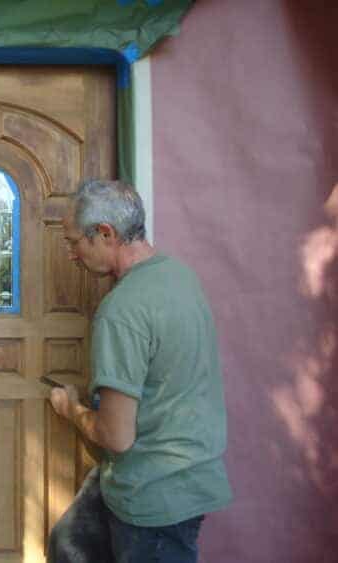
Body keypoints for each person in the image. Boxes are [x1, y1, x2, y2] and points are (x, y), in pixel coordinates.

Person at [48, 179, 232, 563]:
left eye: (74, 242)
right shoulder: (179, 276)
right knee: (66, 542)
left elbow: (116, 436)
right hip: (188, 481)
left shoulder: (123, 309)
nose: (71, 254)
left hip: (153, 499)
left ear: (104, 233)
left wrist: (70, 409)